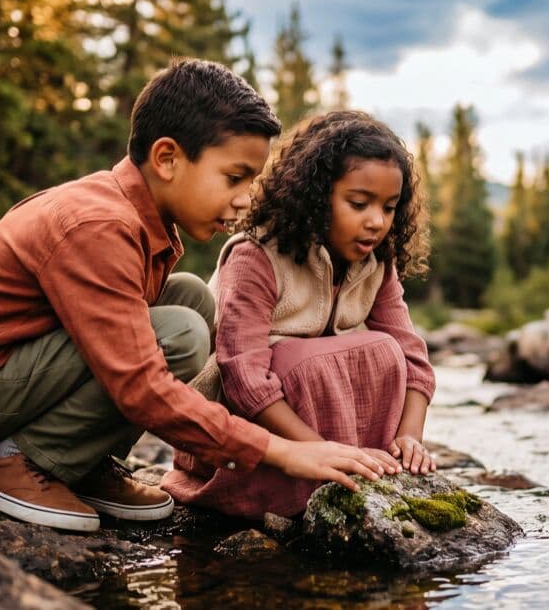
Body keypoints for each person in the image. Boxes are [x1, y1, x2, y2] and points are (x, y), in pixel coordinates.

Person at [0, 60, 390, 533]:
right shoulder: (101, 226)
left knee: (194, 303)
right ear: (166, 159)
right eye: (234, 177)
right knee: (180, 333)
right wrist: (284, 453)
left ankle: (79, 462)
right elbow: (140, 385)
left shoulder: (137, 219)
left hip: (19, 369)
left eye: (252, 181)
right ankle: (13, 461)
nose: (247, 199)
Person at [162, 110, 437, 518]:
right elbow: (244, 379)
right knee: (300, 361)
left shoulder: (377, 264)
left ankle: (361, 466)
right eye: (358, 203)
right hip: (247, 441)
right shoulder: (256, 256)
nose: (376, 221)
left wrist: (410, 438)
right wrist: (313, 452)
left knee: (386, 350)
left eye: (390, 207)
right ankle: (319, 475)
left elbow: (414, 360)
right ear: (315, 196)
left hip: (322, 442)